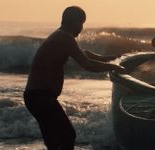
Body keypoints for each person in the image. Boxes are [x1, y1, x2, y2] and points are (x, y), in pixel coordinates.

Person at [23, 6, 127, 150]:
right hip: (41, 97)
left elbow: (81, 52)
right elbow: (88, 65)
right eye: (81, 23)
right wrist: (113, 67)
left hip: (36, 97)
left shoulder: (60, 36)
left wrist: (104, 58)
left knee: (54, 140)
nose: (81, 28)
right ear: (73, 22)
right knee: (67, 135)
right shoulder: (64, 37)